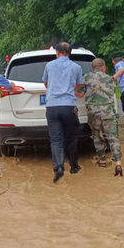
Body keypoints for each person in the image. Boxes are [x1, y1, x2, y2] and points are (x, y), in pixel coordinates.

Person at [42, 42, 83, 183]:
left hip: (52, 107)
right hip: (69, 107)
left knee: (56, 140)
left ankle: (58, 167)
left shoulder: (49, 65)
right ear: (69, 53)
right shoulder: (77, 67)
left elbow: (46, 84)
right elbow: (78, 86)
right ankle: (74, 167)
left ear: (57, 52)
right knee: (71, 138)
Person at [77, 58, 123, 176]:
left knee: (97, 136)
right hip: (108, 112)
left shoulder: (85, 77)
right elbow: (113, 92)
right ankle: (118, 162)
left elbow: (80, 93)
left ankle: (102, 161)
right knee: (112, 137)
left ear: (93, 68)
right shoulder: (109, 78)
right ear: (103, 67)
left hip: (93, 112)